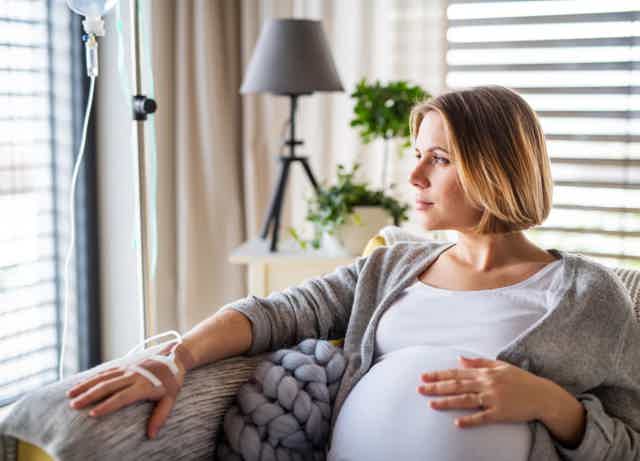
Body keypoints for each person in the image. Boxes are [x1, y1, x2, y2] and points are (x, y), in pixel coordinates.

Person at [67, 86, 640, 460]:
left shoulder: (589, 297)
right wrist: (177, 358)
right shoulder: (391, 265)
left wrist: (550, 404)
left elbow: (630, 445)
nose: (414, 175)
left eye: (438, 159)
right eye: (416, 153)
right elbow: (278, 312)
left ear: (498, 168)